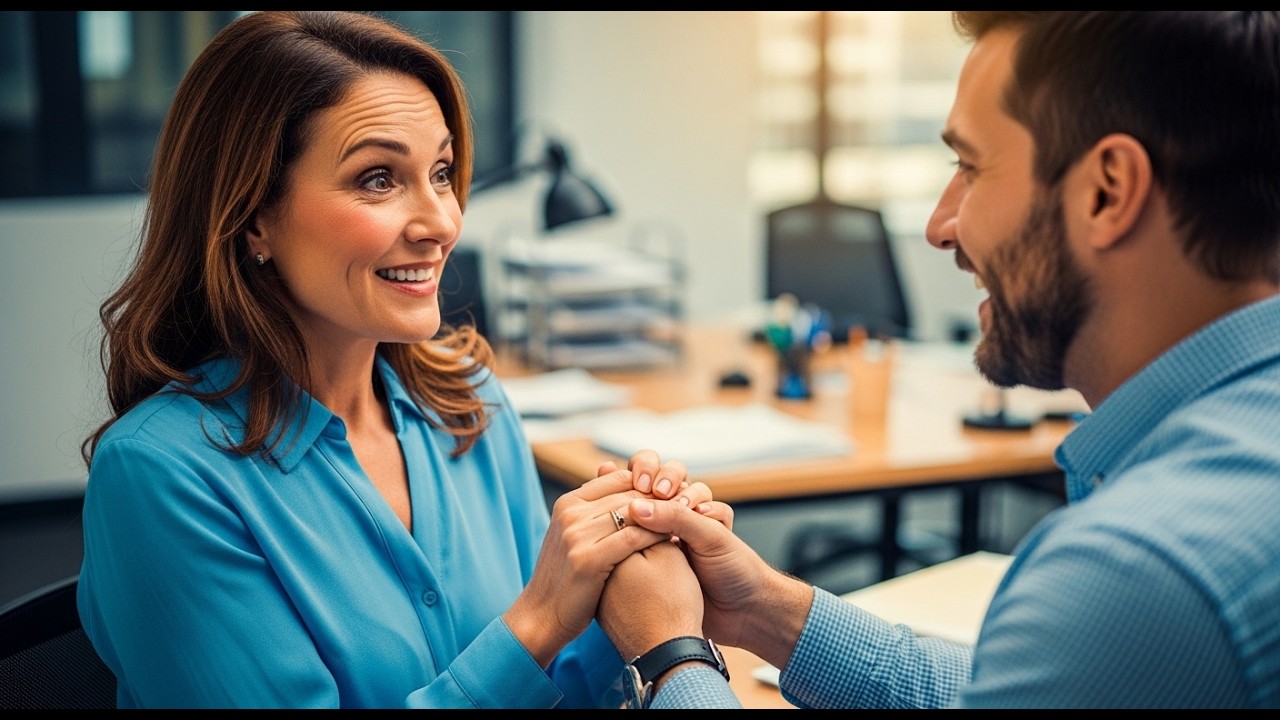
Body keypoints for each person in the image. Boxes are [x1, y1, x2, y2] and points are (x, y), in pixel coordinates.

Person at [596, 10, 1280, 708]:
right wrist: (767, 611)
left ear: (1107, 190)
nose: (938, 225)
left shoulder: (1140, 570)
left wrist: (670, 654)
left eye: (971, 167)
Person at [75, 10, 706, 709]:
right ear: (254, 216)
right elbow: (535, 639)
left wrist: (631, 571)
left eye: (440, 172)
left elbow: (565, 689)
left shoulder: (468, 401)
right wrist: (537, 623)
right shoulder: (160, 475)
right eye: (378, 178)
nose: (442, 221)